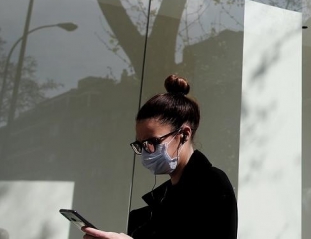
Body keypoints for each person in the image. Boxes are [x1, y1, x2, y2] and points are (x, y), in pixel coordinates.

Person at [82, 75, 237, 239]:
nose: (146, 151)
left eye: (153, 141)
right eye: (140, 144)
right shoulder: (163, 198)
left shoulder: (212, 183)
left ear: (184, 135)